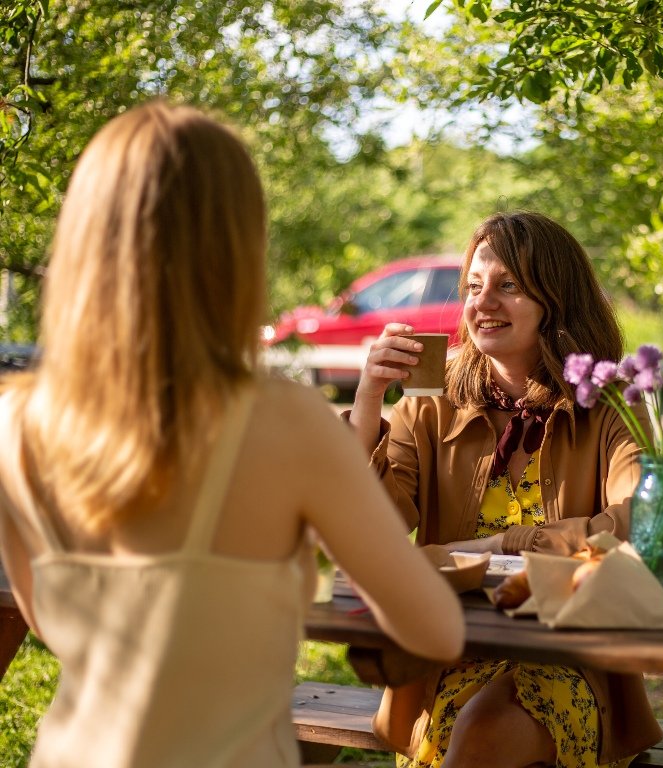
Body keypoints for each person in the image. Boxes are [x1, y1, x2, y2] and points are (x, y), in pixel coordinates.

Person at [0, 102, 464, 768]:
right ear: (235, 247)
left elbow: (50, 619)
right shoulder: (286, 420)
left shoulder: (14, 423)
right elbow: (435, 629)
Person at [348, 211, 663, 768]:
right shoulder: (429, 402)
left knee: (487, 728)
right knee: (475, 727)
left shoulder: (614, 403)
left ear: (556, 299)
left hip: (568, 657)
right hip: (450, 656)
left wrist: (495, 546)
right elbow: (367, 533)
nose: (482, 302)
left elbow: (638, 521)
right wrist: (370, 400)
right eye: (473, 285)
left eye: (508, 285)